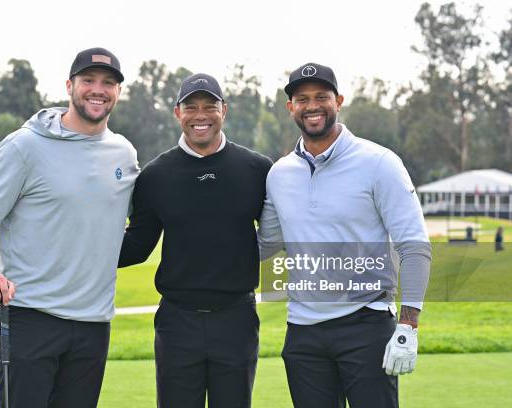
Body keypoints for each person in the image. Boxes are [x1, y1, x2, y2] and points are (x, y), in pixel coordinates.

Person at [0, 47, 138, 408]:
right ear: (70, 85)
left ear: (118, 92)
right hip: (30, 317)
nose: (98, 89)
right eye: (88, 80)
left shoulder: (124, 153)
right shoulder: (23, 146)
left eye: (108, 83)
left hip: (94, 323)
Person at [258, 63, 431, 407]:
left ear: (338, 100)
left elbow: (415, 247)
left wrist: (409, 325)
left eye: (321, 96)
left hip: (366, 326)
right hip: (303, 333)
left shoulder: (379, 162)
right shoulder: (279, 174)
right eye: (302, 98)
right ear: (290, 107)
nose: (312, 106)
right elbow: (265, 244)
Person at [118, 73, 272, 408]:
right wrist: (73, 245)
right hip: (177, 321)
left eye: (209, 106)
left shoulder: (257, 169)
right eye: (191, 107)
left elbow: (281, 234)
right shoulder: (156, 176)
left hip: (236, 320)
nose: (200, 114)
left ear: (224, 111)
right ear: (177, 112)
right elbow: (137, 246)